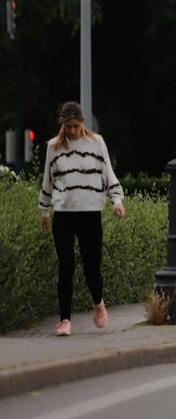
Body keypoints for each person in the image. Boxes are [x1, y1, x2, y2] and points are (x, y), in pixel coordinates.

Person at [38, 101, 125, 336]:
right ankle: (64, 319)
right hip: (63, 214)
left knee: (91, 268)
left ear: (82, 124)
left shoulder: (96, 143)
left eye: (76, 126)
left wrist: (117, 201)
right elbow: (48, 180)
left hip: (90, 213)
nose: (73, 131)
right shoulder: (53, 147)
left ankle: (98, 303)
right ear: (63, 125)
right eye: (69, 127)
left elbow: (108, 174)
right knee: (66, 266)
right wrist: (44, 211)